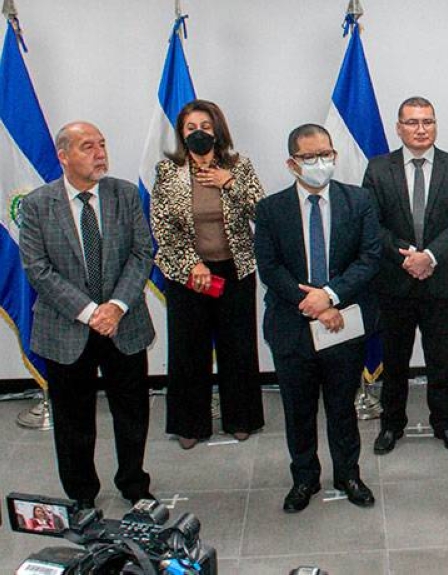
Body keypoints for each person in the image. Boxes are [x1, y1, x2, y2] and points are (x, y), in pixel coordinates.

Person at [19, 122, 156, 509]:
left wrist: (116, 306)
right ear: (63, 156)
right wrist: (91, 312)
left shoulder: (124, 194)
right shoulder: (37, 204)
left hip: (123, 323)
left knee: (132, 412)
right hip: (66, 327)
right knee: (73, 419)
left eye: (102, 144)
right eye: (87, 146)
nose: (99, 153)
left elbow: (141, 254)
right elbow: (38, 269)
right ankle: (81, 494)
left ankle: (134, 484)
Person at [254, 124, 380, 513]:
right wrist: (312, 302)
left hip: (343, 323)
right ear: (292, 164)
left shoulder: (358, 201)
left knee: (342, 407)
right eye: (309, 157)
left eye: (326, 154)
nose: (320, 163)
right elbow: (269, 267)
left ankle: (348, 474)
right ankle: (304, 478)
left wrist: (331, 296)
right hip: (291, 326)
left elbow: (369, 258)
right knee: (298, 410)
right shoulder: (270, 209)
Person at [362, 96, 448, 456]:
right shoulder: (378, 168)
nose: (421, 129)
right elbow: (372, 223)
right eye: (412, 122)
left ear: (435, 125)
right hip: (394, 281)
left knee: (440, 358)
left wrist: (430, 256)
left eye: (428, 121)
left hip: (441, 282)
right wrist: (407, 256)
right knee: (395, 359)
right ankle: (391, 424)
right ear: (399, 128)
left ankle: (445, 422)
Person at [151, 99, 265, 449]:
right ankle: (190, 425)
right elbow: (161, 225)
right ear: (181, 134)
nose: (198, 133)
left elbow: (263, 212)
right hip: (187, 274)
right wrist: (192, 264)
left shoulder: (238, 166)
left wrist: (229, 183)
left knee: (238, 346)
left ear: (217, 130)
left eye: (204, 126)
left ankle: (241, 418)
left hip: (235, 269)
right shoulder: (167, 171)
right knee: (188, 349)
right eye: (190, 128)